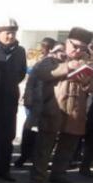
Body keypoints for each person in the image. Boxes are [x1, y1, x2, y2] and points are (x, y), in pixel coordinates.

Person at [30, 27, 93, 183]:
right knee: (44, 145)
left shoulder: (89, 63)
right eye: (75, 46)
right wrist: (68, 67)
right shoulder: (53, 58)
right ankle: (38, 176)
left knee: (68, 146)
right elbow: (42, 72)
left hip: (76, 110)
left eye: (82, 48)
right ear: (67, 42)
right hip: (54, 107)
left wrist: (87, 82)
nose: (77, 50)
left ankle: (58, 174)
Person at [0, 18, 27, 181]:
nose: (11, 36)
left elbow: (22, 73)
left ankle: (3, 169)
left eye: (13, 33)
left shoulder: (20, 51)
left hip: (9, 98)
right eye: (7, 33)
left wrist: (10, 84)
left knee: (6, 136)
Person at [15, 37, 57, 168]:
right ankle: (24, 155)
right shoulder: (39, 61)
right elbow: (31, 81)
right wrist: (28, 96)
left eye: (48, 47)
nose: (45, 50)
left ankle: (39, 158)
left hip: (52, 103)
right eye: (44, 47)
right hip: (36, 101)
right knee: (29, 129)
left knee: (45, 132)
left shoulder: (59, 64)